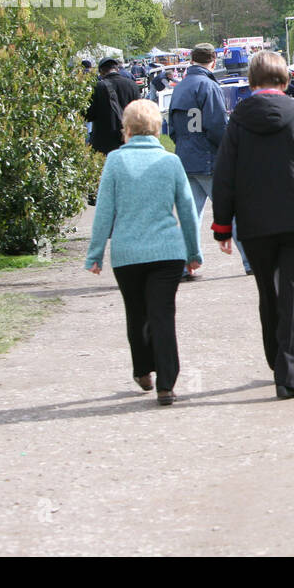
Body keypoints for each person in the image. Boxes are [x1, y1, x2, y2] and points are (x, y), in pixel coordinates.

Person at [211, 51, 294, 399]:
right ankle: (291, 373)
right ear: (284, 81)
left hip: (255, 224)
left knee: (269, 294)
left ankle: (276, 358)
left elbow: (224, 177)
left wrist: (223, 226)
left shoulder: (237, 121)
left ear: (251, 83)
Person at [85, 99, 202, 406]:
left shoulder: (114, 161)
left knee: (136, 314)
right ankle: (166, 384)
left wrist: (95, 254)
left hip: (127, 254)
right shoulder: (170, 162)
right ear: (156, 127)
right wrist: (193, 252)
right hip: (167, 253)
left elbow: (104, 213)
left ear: (127, 128)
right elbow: (187, 211)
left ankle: (142, 371)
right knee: (163, 315)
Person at [168, 43, 250, 278]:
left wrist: (184, 146)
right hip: (209, 159)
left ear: (192, 59)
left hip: (185, 157)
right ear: (213, 60)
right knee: (231, 209)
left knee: (190, 214)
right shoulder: (209, 85)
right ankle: (251, 260)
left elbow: (172, 127)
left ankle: (185, 264)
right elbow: (216, 126)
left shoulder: (179, 86)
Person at [85, 57, 142, 155]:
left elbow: (89, 115)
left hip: (104, 142)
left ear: (101, 72)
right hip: (128, 139)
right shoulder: (132, 85)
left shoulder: (98, 87)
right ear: (117, 69)